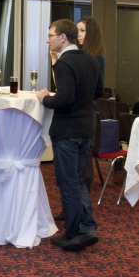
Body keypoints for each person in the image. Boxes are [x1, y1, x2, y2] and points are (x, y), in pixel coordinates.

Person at [36, 19, 102, 252]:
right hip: (86, 128)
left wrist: (45, 98)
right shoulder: (91, 60)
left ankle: (74, 233)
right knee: (78, 181)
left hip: (67, 130)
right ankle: (87, 226)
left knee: (68, 182)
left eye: (51, 35)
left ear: (63, 37)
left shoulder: (63, 63)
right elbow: (97, 92)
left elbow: (64, 98)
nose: (48, 40)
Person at [55, 16, 105, 221]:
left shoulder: (95, 59)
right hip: (79, 115)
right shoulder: (75, 58)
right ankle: (74, 212)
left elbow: (97, 91)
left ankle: (81, 216)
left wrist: (78, 96)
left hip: (82, 116)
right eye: (78, 31)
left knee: (81, 170)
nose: (79, 34)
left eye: (83, 30)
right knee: (72, 172)